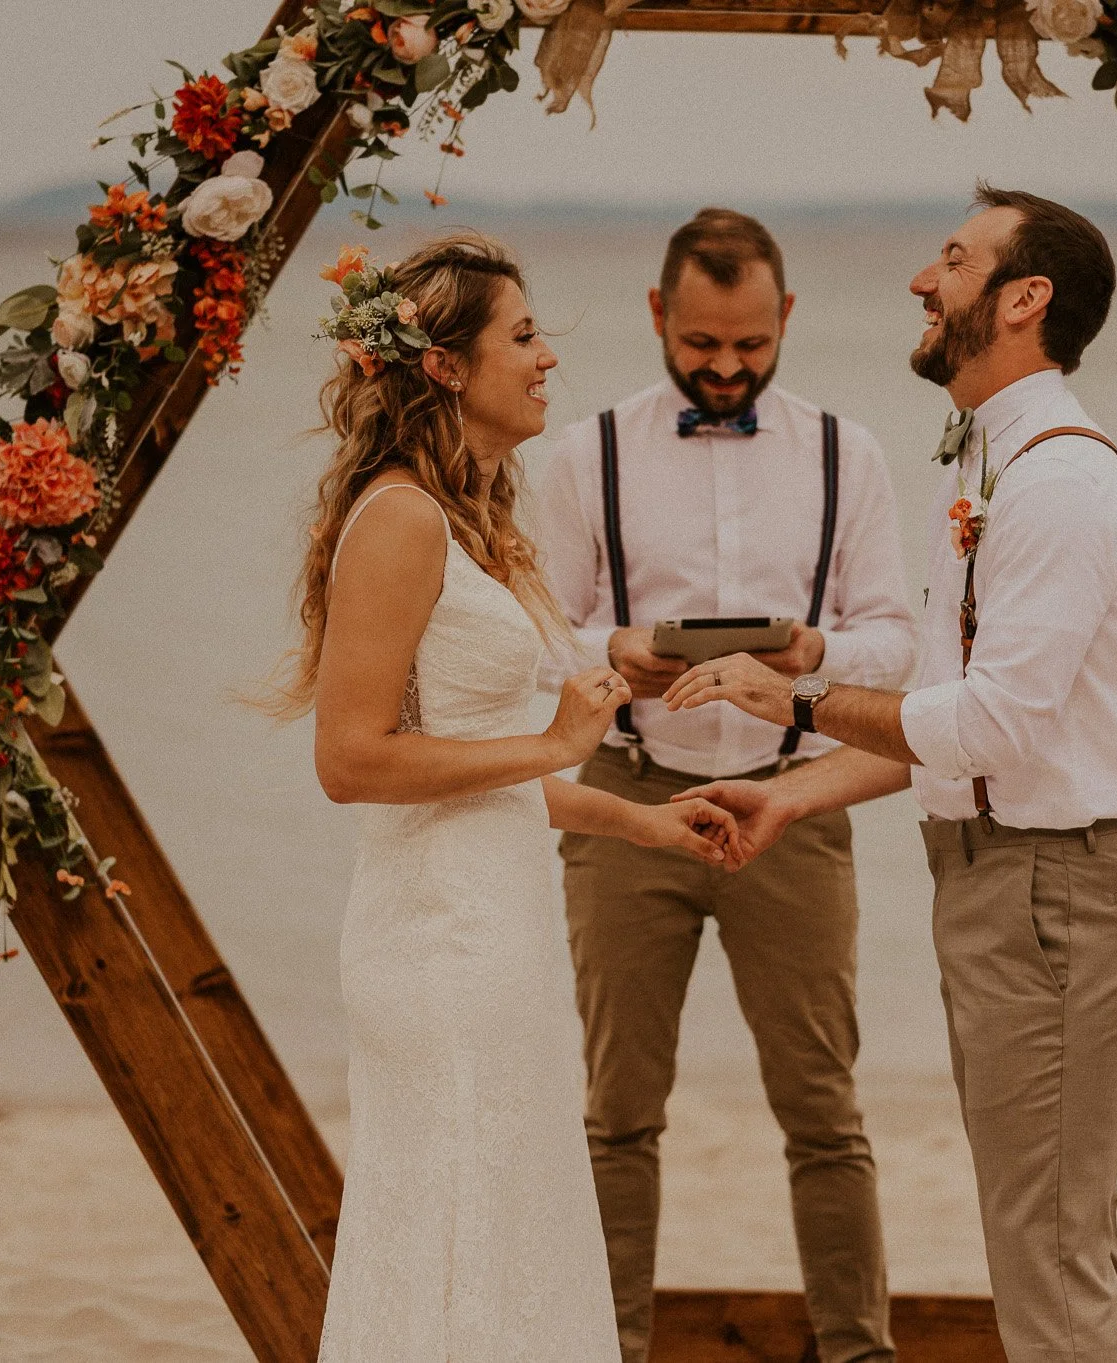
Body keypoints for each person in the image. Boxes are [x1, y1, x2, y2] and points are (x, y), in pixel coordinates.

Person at [660, 187, 1117, 1363]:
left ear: (1021, 299)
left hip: (1060, 897)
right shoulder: (1001, 464)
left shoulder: (1054, 483)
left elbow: (989, 725)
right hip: (1020, 892)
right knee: (1049, 1229)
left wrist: (784, 695)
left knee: (1045, 1242)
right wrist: (789, 792)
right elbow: (939, 727)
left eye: (950, 259)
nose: (919, 279)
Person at [272, 232, 741, 1362]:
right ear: (444, 365)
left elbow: (478, 767)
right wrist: (550, 741)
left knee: (510, 1218)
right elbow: (352, 761)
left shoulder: (474, 519)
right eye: (522, 336)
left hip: (503, 919)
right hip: (439, 940)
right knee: (455, 1221)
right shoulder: (398, 519)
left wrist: (634, 817)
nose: (546, 360)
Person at [534, 208, 915, 1363]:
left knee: (823, 1112)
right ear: (658, 315)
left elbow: (895, 640)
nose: (724, 367)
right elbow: (539, 635)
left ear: (785, 319)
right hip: (626, 798)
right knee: (615, 1113)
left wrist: (808, 654)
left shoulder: (849, 453)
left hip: (792, 803)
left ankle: (857, 1352)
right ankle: (608, 1347)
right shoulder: (582, 453)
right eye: (701, 343)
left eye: (748, 344)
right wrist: (618, 650)